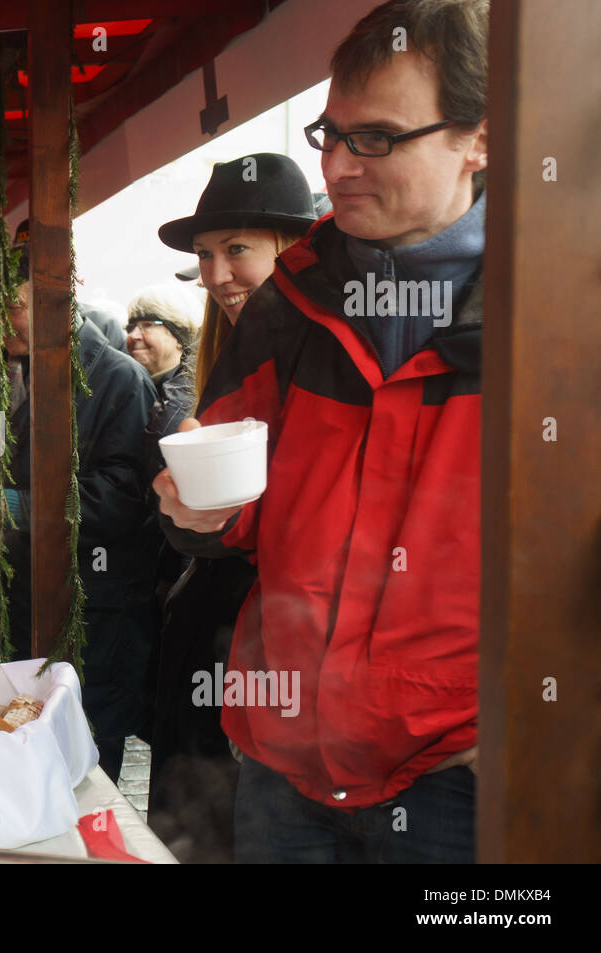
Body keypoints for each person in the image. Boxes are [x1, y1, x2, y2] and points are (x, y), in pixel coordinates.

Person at [153, 0, 488, 863]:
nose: (338, 165)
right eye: (329, 134)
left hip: (458, 782)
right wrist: (202, 511)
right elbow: (237, 502)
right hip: (281, 769)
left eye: (375, 137)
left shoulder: (557, 307)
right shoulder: (290, 303)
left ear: (479, 139)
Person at [146, 152, 319, 862]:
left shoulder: (328, 350)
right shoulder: (225, 353)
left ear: (296, 249)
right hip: (214, 645)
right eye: (206, 255)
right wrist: (181, 513)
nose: (216, 274)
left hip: (273, 651)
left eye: (237, 249)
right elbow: (194, 521)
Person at [0, 220, 160, 780]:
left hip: (99, 612)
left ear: (59, 299)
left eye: (13, 307)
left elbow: (122, 500)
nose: (2, 323)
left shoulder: (117, 379)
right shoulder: (43, 376)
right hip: (46, 603)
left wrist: (11, 507)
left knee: (87, 760)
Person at [125, 283, 203, 439]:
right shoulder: (129, 388)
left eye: (147, 325)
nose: (134, 336)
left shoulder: (187, 397)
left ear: (179, 335)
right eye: (131, 327)